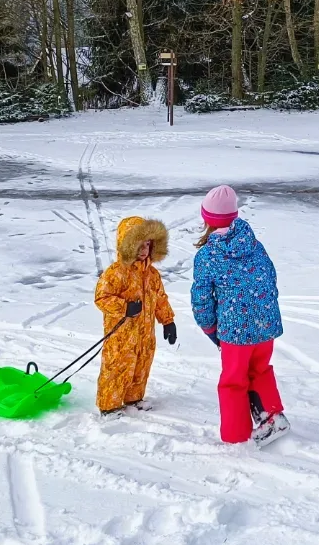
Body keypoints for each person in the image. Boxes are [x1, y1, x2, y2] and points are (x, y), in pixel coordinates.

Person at [190, 186, 289, 445]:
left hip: (236, 331)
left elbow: (201, 298)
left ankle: (235, 436)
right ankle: (272, 417)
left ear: (207, 220)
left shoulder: (208, 255)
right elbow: (271, 278)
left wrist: (210, 328)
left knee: (233, 381)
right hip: (265, 326)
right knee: (260, 370)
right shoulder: (255, 245)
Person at [94, 216, 177, 415]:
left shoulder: (153, 275)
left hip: (145, 334)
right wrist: (124, 307)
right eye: (139, 245)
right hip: (121, 336)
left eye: (147, 245)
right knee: (117, 367)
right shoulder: (115, 273)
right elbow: (101, 298)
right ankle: (109, 406)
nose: (144, 250)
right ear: (127, 245)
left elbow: (160, 299)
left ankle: (134, 399)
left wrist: (168, 321)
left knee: (141, 365)